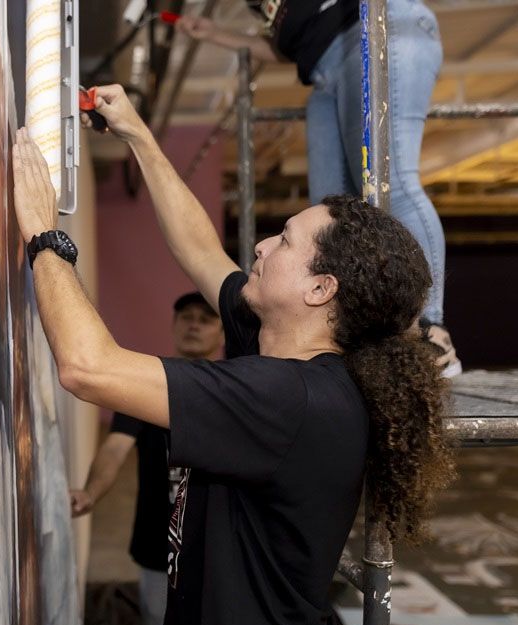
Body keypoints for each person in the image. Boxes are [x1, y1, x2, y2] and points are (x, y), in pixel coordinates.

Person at [11, 83, 455, 625]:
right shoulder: (282, 347)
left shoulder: (289, 399)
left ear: (319, 290)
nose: (264, 244)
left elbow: (88, 368)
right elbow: (199, 249)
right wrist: (138, 133)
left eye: (285, 239)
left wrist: (45, 238)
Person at [176, 0, 462, 377]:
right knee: (328, 217)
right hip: (322, 67)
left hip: (379, 28)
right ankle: (358, 341)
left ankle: (431, 330)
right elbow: (294, 42)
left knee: (394, 185)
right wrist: (215, 34)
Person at [70, 292, 224, 625]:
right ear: (173, 325)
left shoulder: (233, 387)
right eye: (186, 316)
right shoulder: (148, 385)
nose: (194, 324)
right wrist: (91, 492)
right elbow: (115, 448)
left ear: (221, 333)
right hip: (159, 547)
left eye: (205, 319)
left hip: (217, 548)